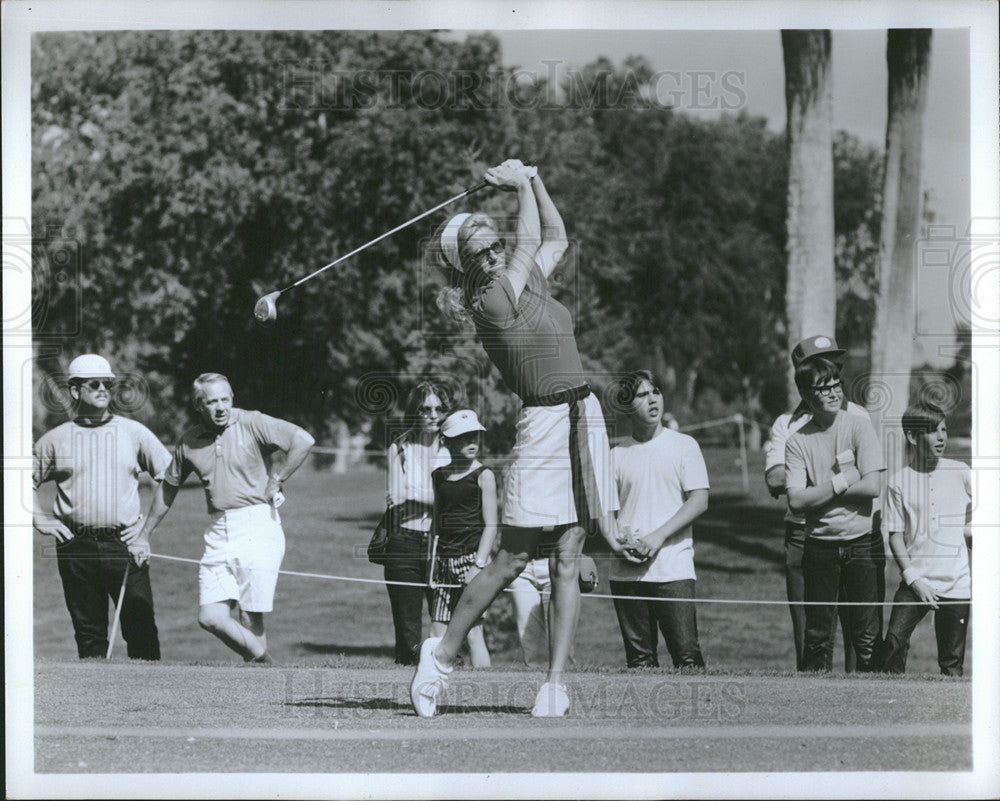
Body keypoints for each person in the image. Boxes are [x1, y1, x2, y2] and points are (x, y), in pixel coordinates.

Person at [411, 158, 642, 718]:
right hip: (541, 425)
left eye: (494, 245)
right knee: (513, 555)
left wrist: (534, 177)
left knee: (568, 551)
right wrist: (517, 185)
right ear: (464, 267)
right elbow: (532, 233)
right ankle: (439, 657)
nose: (492, 255)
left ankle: (555, 684)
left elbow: (554, 234)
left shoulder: (526, 275)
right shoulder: (487, 299)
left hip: (583, 415)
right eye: (479, 253)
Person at [127, 372, 314, 663]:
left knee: (250, 615)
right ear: (197, 405)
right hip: (217, 528)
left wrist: (278, 478)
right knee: (210, 616)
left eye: (225, 399)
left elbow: (303, 439)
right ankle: (266, 664)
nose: (220, 407)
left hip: (257, 524)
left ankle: (261, 681)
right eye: (212, 401)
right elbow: (168, 488)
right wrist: (143, 535)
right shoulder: (188, 441)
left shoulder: (252, 421)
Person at [32, 353, 171, 660]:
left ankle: (150, 707)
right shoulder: (55, 440)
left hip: (125, 544)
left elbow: (169, 477)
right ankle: (98, 707)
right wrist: (40, 519)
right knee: (90, 637)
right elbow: (19, 482)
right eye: (93, 383)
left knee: (142, 632)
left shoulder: (133, 432)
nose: (103, 389)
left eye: (107, 383)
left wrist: (145, 531)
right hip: (75, 546)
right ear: (74, 390)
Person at [763, 334, 871, 671]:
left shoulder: (859, 416)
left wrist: (810, 484)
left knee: (860, 628)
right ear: (803, 375)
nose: (832, 372)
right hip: (803, 536)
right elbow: (777, 479)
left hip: (855, 533)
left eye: (836, 364)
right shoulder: (787, 424)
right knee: (811, 631)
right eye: (821, 364)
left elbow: (871, 478)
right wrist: (838, 475)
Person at [784, 357, 884, 672]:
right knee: (818, 635)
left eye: (835, 384)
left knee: (866, 634)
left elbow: (872, 486)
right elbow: (796, 502)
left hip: (861, 543)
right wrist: (844, 479)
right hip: (819, 546)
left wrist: (819, 492)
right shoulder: (796, 441)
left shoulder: (859, 426)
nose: (832, 393)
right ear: (805, 393)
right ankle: (817, 709)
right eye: (822, 388)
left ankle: (870, 705)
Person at [609, 370, 710, 669]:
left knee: (687, 657)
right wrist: (617, 543)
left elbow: (699, 500)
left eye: (655, 392)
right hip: (626, 574)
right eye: (642, 395)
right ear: (627, 405)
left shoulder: (684, 445)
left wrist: (658, 536)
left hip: (672, 569)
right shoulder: (615, 455)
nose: (652, 400)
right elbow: (605, 512)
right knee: (640, 663)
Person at [879, 403, 972, 676]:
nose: (942, 437)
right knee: (892, 649)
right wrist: (914, 579)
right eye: (932, 431)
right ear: (912, 437)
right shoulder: (898, 482)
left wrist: (969, 531)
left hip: (957, 586)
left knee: (952, 667)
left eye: (944, 429)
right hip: (915, 583)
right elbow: (895, 535)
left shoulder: (961, 471)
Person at [383, 383, 452, 665]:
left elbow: (453, 501)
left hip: (445, 544)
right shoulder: (399, 447)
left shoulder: (455, 447)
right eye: (425, 409)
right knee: (407, 632)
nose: (433, 415)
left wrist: (412, 493)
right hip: (405, 542)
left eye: (439, 408)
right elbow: (394, 500)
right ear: (415, 411)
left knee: (446, 628)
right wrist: (430, 497)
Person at [428, 409, 499, 668]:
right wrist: (432, 560)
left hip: (471, 559)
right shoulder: (439, 476)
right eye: (463, 437)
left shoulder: (484, 475)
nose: (472, 443)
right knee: (437, 629)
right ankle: (435, 686)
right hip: (443, 560)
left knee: (472, 632)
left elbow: (491, 525)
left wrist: (478, 565)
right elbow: (437, 523)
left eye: (475, 437)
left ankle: (482, 689)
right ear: (447, 441)